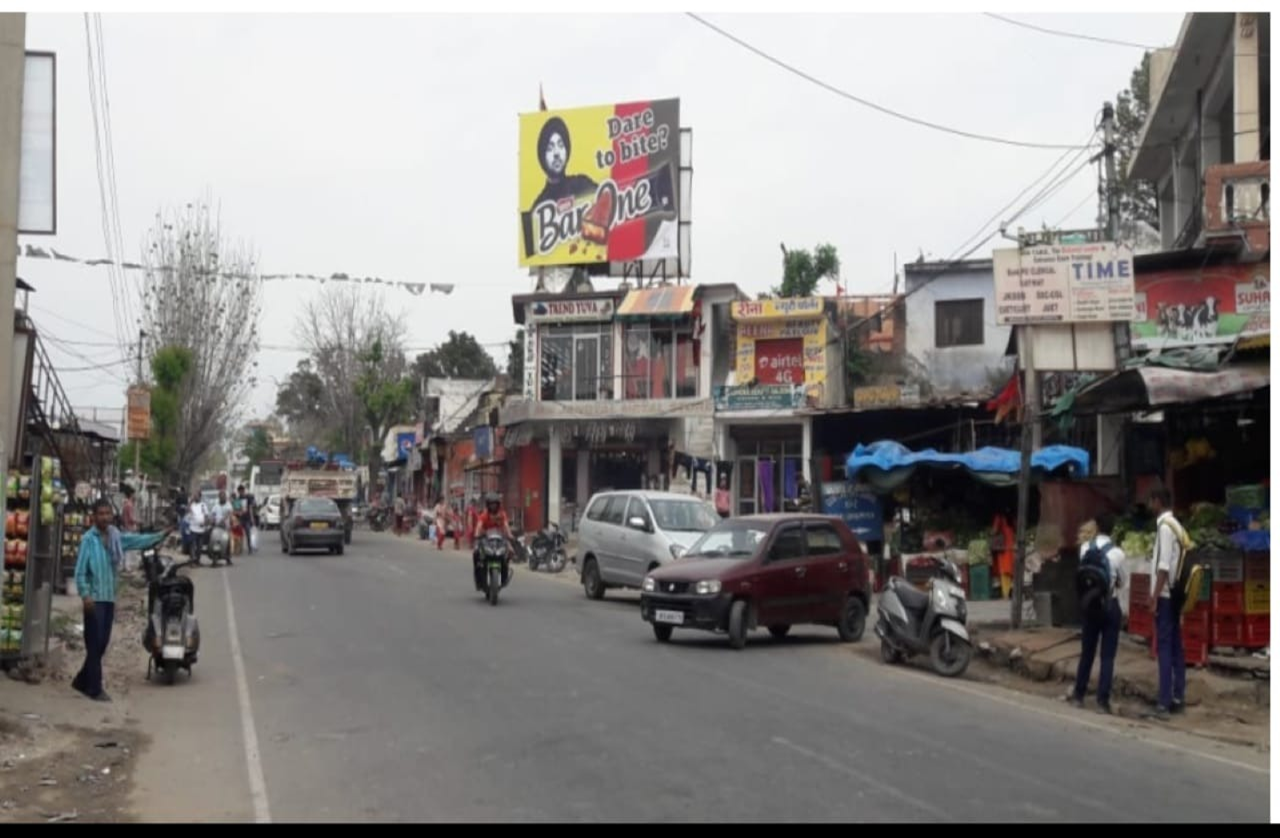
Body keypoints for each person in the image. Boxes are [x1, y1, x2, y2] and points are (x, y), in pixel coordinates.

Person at [72, 498, 167, 702]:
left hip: (109, 598)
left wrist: (159, 536)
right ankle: (95, 689)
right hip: (94, 599)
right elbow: (80, 571)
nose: (105, 517)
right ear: (94, 516)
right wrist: (85, 594)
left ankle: (81, 680)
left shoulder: (115, 537)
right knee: (94, 644)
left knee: (102, 644)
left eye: (107, 513)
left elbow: (136, 541)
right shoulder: (88, 540)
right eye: (101, 514)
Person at [1071, 514, 1127, 714]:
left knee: (1087, 652)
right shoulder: (1118, 554)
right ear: (1113, 530)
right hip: (1109, 606)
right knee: (1107, 656)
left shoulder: (1085, 548)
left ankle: (1079, 694)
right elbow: (1123, 581)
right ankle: (1102, 700)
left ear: (1097, 527)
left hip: (1090, 606)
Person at [1148, 489, 1188, 721]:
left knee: (1163, 647)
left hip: (1164, 595)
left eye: (1151, 500)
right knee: (1176, 647)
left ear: (1158, 501)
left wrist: (1153, 596)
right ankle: (1178, 697)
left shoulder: (1164, 527)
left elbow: (1163, 566)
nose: (1150, 505)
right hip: (1175, 594)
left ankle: (1163, 702)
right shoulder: (1178, 526)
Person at [531, 116, 598, 209]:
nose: (556, 153)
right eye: (550, 148)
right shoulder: (540, 206)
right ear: (542, 156)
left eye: (560, 145)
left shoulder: (582, 184)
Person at [472, 493, 514, 591]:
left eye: (495, 504)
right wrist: (477, 535)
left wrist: (510, 535)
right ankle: (478, 579)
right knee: (476, 553)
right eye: (491, 504)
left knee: (510, 552)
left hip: (500, 539)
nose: (493, 506)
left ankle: (504, 575)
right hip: (486, 540)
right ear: (488, 505)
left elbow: (506, 526)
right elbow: (479, 526)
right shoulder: (484, 515)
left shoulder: (502, 514)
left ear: (498, 504)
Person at [991, 511, 1016, 600]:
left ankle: (1005, 594)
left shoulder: (1000, 517)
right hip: (1011, 548)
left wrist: (991, 533)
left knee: (1003, 572)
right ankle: (1007, 593)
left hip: (1003, 548)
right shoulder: (1012, 518)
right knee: (1009, 572)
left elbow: (994, 530)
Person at [212, 491, 236, 566]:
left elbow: (229, 513)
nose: (222, 498)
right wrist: (213, 519)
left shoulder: (228, 505)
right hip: (217, 526)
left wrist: (224, 519)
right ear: (219, 497)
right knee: (214, 541)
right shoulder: (216, 506)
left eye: (223, 496)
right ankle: (214, 559)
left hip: (225, 527)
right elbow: (213, 514)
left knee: (227, 542)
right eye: (221, 496)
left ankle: (228, 558)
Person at [187, 492, 210, 565]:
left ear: (200, 497)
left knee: (199, 546)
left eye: (197, 496)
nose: (195, 497)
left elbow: (206, 515)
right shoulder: (192, 505)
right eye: (194, 496)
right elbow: (188, 510)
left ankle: (198, 560)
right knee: (193, 545)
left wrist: (205, 523)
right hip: (193, 528)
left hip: (201, 529)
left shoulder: (203, 505)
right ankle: (192, 560)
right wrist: (190, 501)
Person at [236, 485, 257, 555]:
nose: (241, 492)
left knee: (248, 533)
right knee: (239, 534)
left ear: (243, 490)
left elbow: (250, 508)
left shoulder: (248, 497)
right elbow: (237, 509)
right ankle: (239, 548)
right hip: (240, 518)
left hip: (247, 518)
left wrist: (252, 518)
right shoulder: (238, 499)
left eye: (242, 491)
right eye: (240, 491)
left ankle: (250, 548)